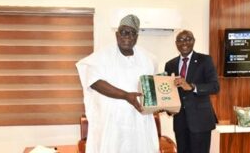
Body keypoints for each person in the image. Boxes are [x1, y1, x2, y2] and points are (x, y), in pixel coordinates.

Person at [76, 14, 159, 153]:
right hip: (112, 121)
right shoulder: (102, 56)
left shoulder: (148, 59)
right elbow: (94, 82)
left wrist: (160, 102)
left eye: (132, 33)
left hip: (138, 121)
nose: (127, 36)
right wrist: (125, 95)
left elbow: (154, 86)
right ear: (117, 34)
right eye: (124, 32)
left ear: (137, 37)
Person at [164, 30, 220, 153]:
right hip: (180, 122)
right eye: (180, 40)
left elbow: (215, 87)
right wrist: (166, 105)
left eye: (188, 39)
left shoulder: (205, 60)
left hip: (201, 121)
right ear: (176, 43)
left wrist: (192, 87)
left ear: (193, 41)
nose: (184, 43)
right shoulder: (170, 64)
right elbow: (168, 91)